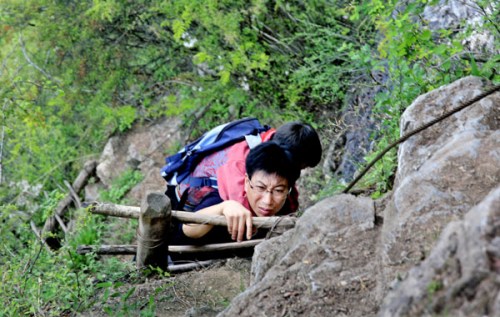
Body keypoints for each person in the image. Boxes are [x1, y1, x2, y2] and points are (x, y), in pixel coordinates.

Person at [168, 121, 322, 213]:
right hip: (190, 203)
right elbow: (242, 208)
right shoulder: (241, 160)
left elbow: (286, 185)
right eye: (300, 167)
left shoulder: (277, 141)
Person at [169, 142, 301, 250]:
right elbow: (187, 230)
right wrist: (222, 208)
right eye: (260, 188)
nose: (267, 201)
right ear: (246, 182)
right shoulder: (220, 199)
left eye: (278, 190)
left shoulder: (287, 207)